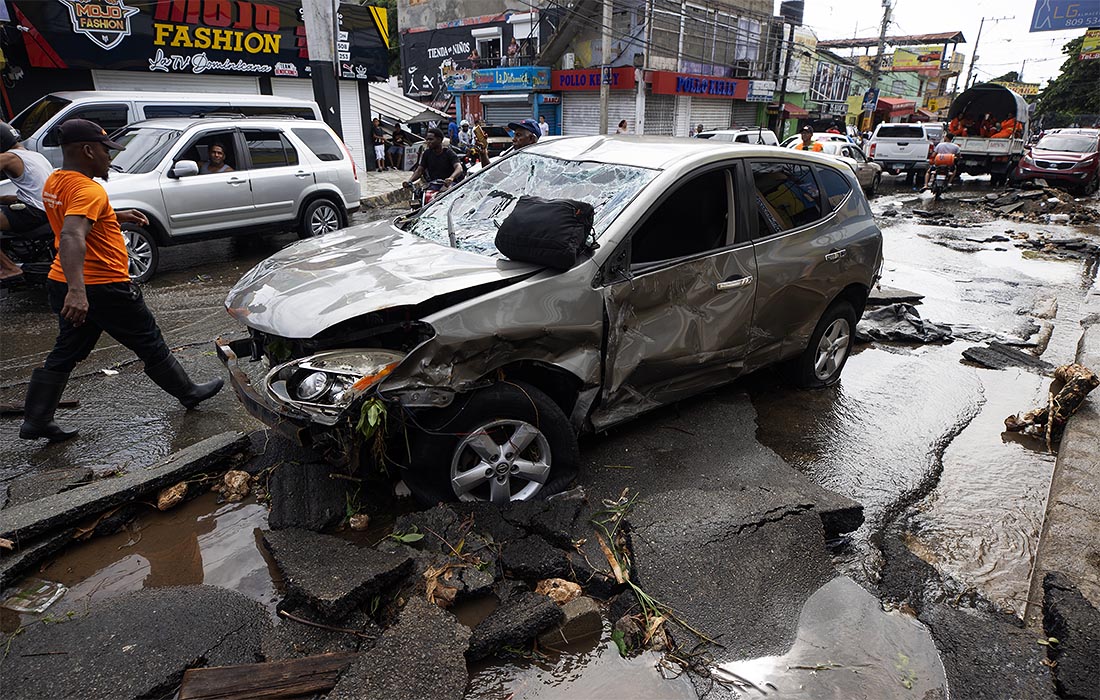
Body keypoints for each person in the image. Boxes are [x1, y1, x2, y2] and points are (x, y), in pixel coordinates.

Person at [19, 119, 223, 442]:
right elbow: (72, 234)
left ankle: (36, 419)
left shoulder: (57, 181)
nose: (109, 158)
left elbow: (76, 216)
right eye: (105, 150)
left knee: (66, 351)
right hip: (102, 286)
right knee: (149, 341)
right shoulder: (89, 189)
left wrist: (116, 215)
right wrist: (78, 291)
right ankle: (188, 392)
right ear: (87, 150)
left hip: (65, 280)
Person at [0, 121, 53, 281]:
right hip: (48, 206)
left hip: (34, 212)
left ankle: (9, 268)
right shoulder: (34, 155)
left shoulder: (9, 157)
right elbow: (34, 191)